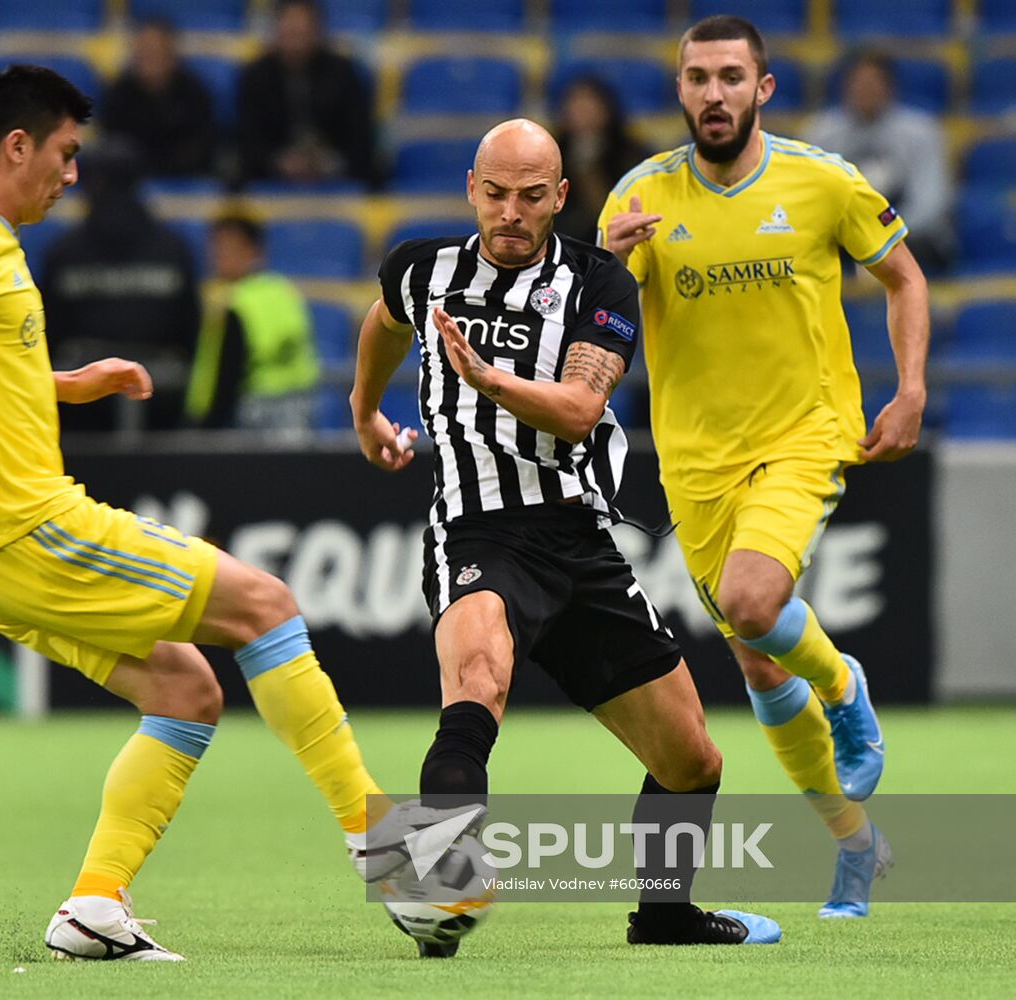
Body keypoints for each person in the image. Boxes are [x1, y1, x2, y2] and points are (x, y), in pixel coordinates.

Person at [0, 65, 391, 962]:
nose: (71, 175)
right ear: (17, 146)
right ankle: (385, 846)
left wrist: (71, 382)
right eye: (66, 155)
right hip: (30, 529)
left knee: (185, 690)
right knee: (266, 606)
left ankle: (92, 908)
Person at [352, 117, 781, 951]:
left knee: (692, 761)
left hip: (578, 541)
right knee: (476, 687)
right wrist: (366, 409)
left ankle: (662, 917)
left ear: (559, 197)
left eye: (529, 196)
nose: (509, 212)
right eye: (495, 193)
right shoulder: (421, 268)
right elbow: (382, 322)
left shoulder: (598, 285)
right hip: (478, 532)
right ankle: (432, 899)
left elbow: (583, 411)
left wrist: (488, 377)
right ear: (472, 188)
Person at [598, 15, 929, 919]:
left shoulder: (822, 182)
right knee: (753, 662)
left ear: (762, 88)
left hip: (805, 431)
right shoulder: (635, 199)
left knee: (752, 604)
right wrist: (602, 273)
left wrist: (907, 391)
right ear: (679, 90)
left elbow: (904, 278)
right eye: (697, 77)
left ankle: (843, 684)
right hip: (694, 463)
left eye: (731, 77)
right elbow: (598, 336)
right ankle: (853, 845)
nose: (714, 93)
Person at [39, 139, 201, 432]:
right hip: (161, 406)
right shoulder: (174, 249)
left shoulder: (64, 252)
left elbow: (46, 331)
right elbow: (191, 329)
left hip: (81, 412)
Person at [807, 49, 954, 274]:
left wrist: (880, 235)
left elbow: (930, 203)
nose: (865, 90)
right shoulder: (822, 133)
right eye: (859, 83)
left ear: (891, 87)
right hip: (844, 237)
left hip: (908, 238)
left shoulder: (921, 132)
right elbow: (815, 200)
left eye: (873, 83)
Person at [185, 214, 320, 431]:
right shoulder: (285, 291)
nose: (219, 256)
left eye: (228, 249)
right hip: (299, 412)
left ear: (254, 251)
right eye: (216, 248)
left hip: (249, 416)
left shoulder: (231, 303)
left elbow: (227, 375)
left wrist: (204, 424)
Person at [236, 0, 375, 187]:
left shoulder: (344, 73)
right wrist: (280, 163)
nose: (296, 37)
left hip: (336, 177)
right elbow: (247, 139)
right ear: (276, 30)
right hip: (270, 178)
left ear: (318, 31)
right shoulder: (255, 75)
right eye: (290, 30)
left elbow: (360, 136)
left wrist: (327, 163)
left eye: (303, 30)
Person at [98, 18, 216, 179]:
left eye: (154, 52)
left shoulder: (194, 93)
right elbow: (112, 142)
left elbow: (203, 145)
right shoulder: (118, 94)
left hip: (184, 176)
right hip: (131, 178)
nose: (147, 60)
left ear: (171, 54)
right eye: (142, 52)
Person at [553, 76, 648, 247]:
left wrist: (588, 171)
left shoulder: (629, 153)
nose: (581, 112)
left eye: (589, 104)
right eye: (575, 104)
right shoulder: (552, 150)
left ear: (607, 108)